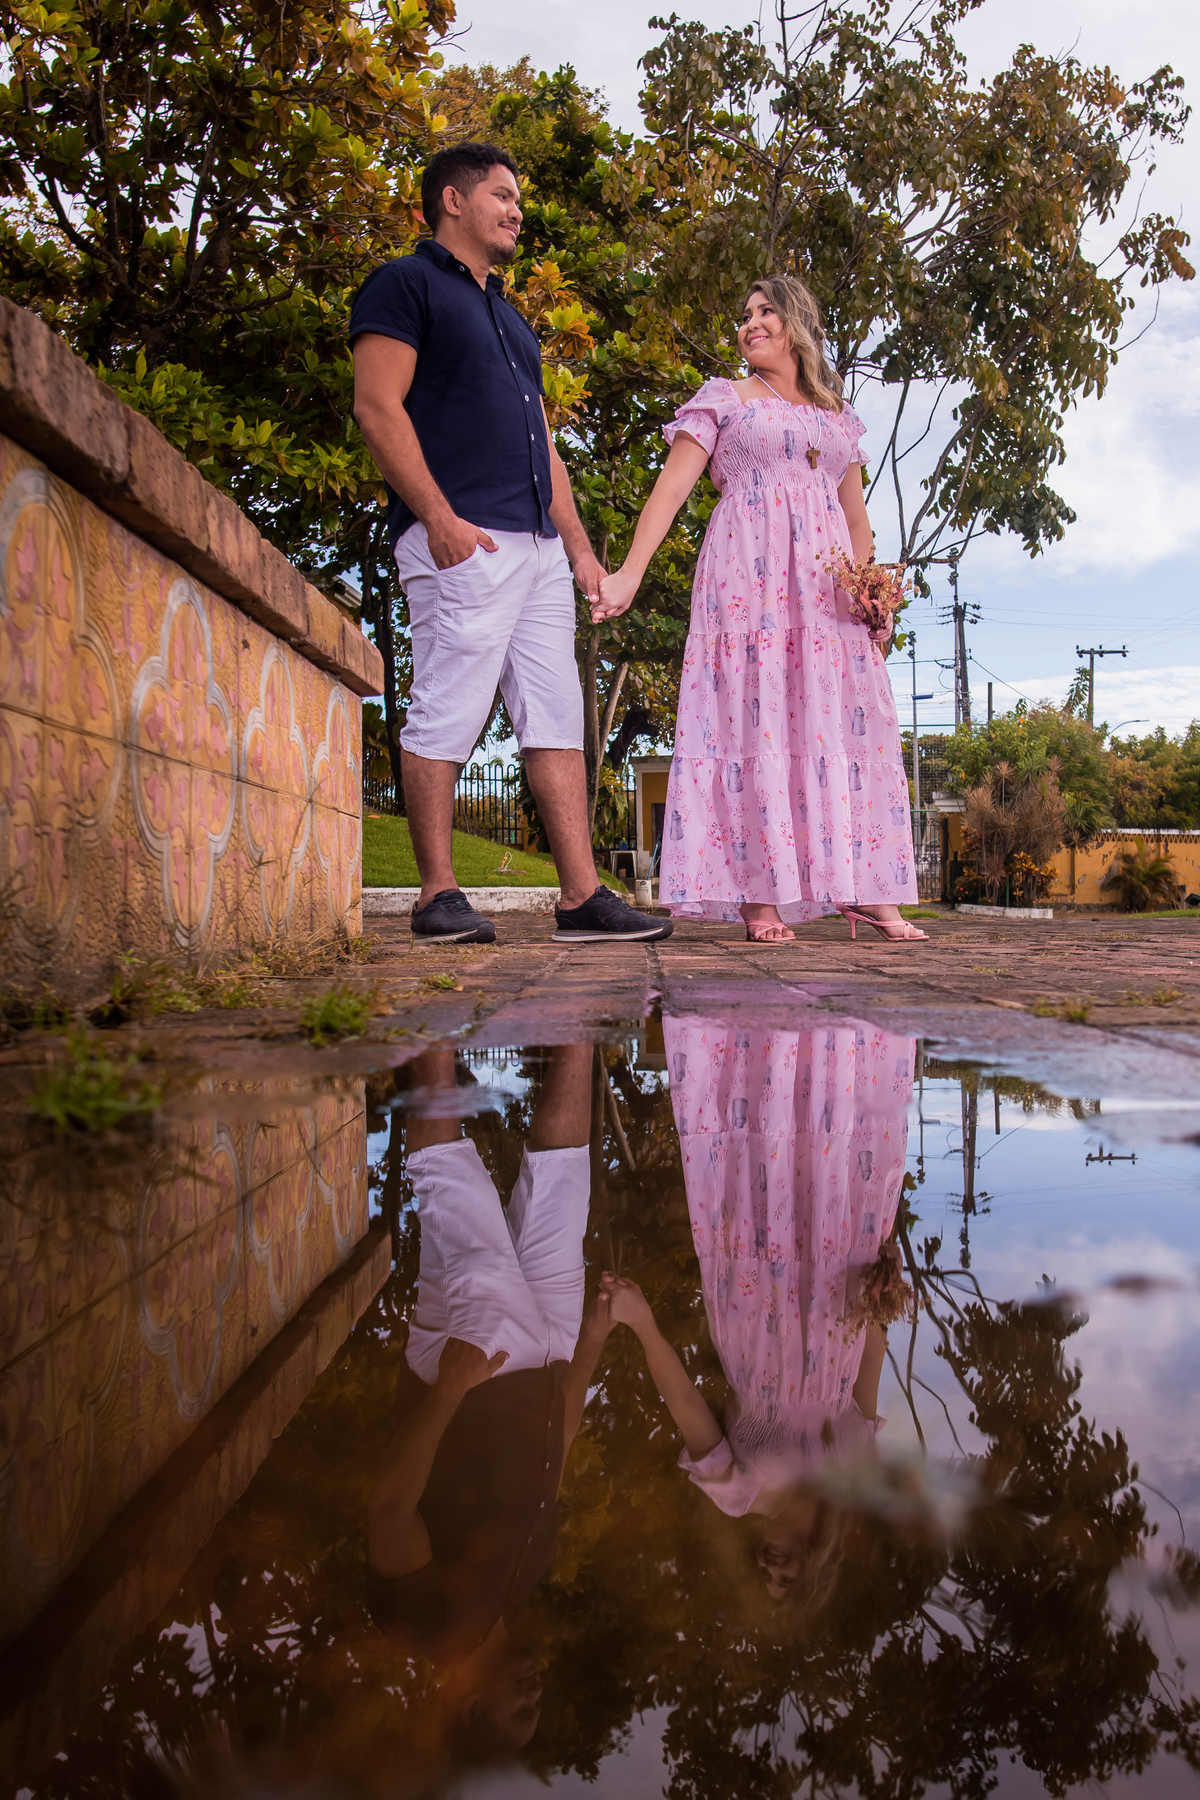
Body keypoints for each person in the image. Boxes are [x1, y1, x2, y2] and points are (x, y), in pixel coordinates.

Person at [351, 141, 671, 946]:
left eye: (517, 198)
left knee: (557, 718)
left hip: (535, 552)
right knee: (448, 707)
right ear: (452, 201)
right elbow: (377, 407)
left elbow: (544, 446)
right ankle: (436, 895)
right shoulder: (405, 284)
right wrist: (440, 519)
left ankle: (580, 896)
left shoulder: (511, 320)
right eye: (502, 194)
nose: (516, 209)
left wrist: (582, 553)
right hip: (462, 539)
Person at [592, 277, 925, 944]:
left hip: (827, 601)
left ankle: (868, 888)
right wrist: (629, 571)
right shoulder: (725, 399)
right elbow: (671, 491)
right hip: (748, 586)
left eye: (765, 311)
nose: (751, 324)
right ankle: (760, 895)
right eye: (745, 315)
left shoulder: (838, 418)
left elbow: (855, 518)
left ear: (798, 321)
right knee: (756, 722)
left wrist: (869, 595)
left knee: (843, 727)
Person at [601, 1018, 916, 1607]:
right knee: (828, 1152)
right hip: (833, 1286)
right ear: (817, 1566)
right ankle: (832, 1039)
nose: (773, 1569)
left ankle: (754, 1034)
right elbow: (868, 1362)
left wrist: (643, 1324)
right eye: (787, 1581)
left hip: (751, 1292)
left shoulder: (736, 1493)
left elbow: (688, 1403)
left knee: (756, 1160)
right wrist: (880, 1283)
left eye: (764, 1578)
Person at [365, 1043, 614, 1752]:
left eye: (519, 1711)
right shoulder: (517, 1589)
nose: (534, 1694)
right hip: (549, 1353)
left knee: (456, 1194)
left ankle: (434, 1029)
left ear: (471, 1709)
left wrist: (449, 1389)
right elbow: (552, 1465)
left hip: (479, 1369)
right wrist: (588, 1347)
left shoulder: (424, 1627)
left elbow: (388, 1505)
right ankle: (574, 1025)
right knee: (564, 1185)